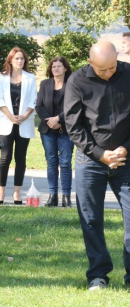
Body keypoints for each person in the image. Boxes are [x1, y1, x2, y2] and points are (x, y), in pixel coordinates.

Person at [65, 41, 130, 291]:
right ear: (91, 63)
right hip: (90, 160)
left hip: (126, 159)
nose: (108, 73)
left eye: (112, 67)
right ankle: (98, 275)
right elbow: (74, 126)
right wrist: (100, 154)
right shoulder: (76, 81)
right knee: (91, 220)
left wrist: (124, 148)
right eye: (102, 70)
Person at [0, 47, 36, 205]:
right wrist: (10, 116)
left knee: (21, 159)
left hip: (24, 122)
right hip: (6, 122)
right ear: (10, 60)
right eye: (17, 58)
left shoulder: (30, 77)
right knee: (5, 158)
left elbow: (33, 100)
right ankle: (1, 193)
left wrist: (24, 116)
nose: (20, 61)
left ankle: (17, 193)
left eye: (22, 59)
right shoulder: (1, 77)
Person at [35, 57, 74, 207]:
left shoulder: (72, 84)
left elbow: (74, 107)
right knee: (51, 162)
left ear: (65, 68)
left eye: (59, 66)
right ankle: (52, 196)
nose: (56, 69)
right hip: (47, 129)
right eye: (53, 67)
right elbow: (39, 106)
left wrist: (59, 119)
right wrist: (51, 121)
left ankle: (66, 197)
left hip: (66, 129)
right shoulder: (45, 84)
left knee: (65, 163)